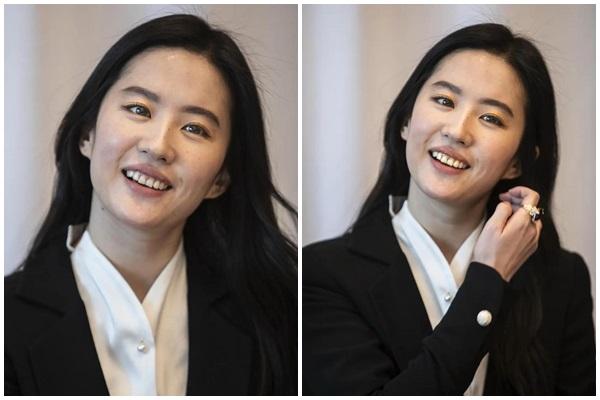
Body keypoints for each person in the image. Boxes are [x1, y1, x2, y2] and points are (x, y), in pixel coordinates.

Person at [5, 14, 297, 395]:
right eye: (139, 109)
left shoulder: (279, 320)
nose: (158, 146)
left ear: (220, 178)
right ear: (87, 133)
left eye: (194, 128)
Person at [303, 23, 594, 395]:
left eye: (491, 118)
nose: (457, 131)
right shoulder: (320, 273)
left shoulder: (562, 279)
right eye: (444, 101)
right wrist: (489, 279)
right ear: (406, 120)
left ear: (517, 162)